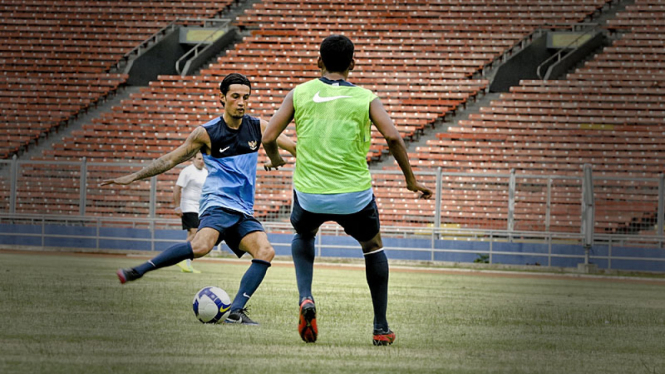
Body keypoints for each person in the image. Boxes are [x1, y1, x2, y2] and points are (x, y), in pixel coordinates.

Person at [262, 35, 433, 346]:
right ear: (353, 64)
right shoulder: (366, 97)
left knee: (303, 234)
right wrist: (410, 181)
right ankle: (380, 328)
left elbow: (270, 136)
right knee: (373, 246)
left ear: (318, 62)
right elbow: (393, 138)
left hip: (310, 193)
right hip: (354, 196)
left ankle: (306, 297)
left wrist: (275, 159)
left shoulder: (299, 93)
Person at [103, 73, 296, 325]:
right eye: (235, 96)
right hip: (217, 203)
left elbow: (294, 147)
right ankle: (139, 270)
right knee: (201, 246)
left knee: (266, 251)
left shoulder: (258, 126)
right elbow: (169, 160)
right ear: (222, 98)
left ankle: (236, 312)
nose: (241, 102)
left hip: (243, 210)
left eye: (245, 97)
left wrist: (293, 159)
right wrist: (133, 177)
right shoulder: (206, 133)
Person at [173, 150, 207, 273]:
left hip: (200, 208)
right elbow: (177, 188)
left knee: (192, 235)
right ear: (193, 159)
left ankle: (186, 264)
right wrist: (177, 206)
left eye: (203, 159)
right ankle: (179, 256)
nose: (202, 161)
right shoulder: (187, 171)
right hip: (189, 207)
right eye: (199, 159)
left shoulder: (205, 173)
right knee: (196, 234)